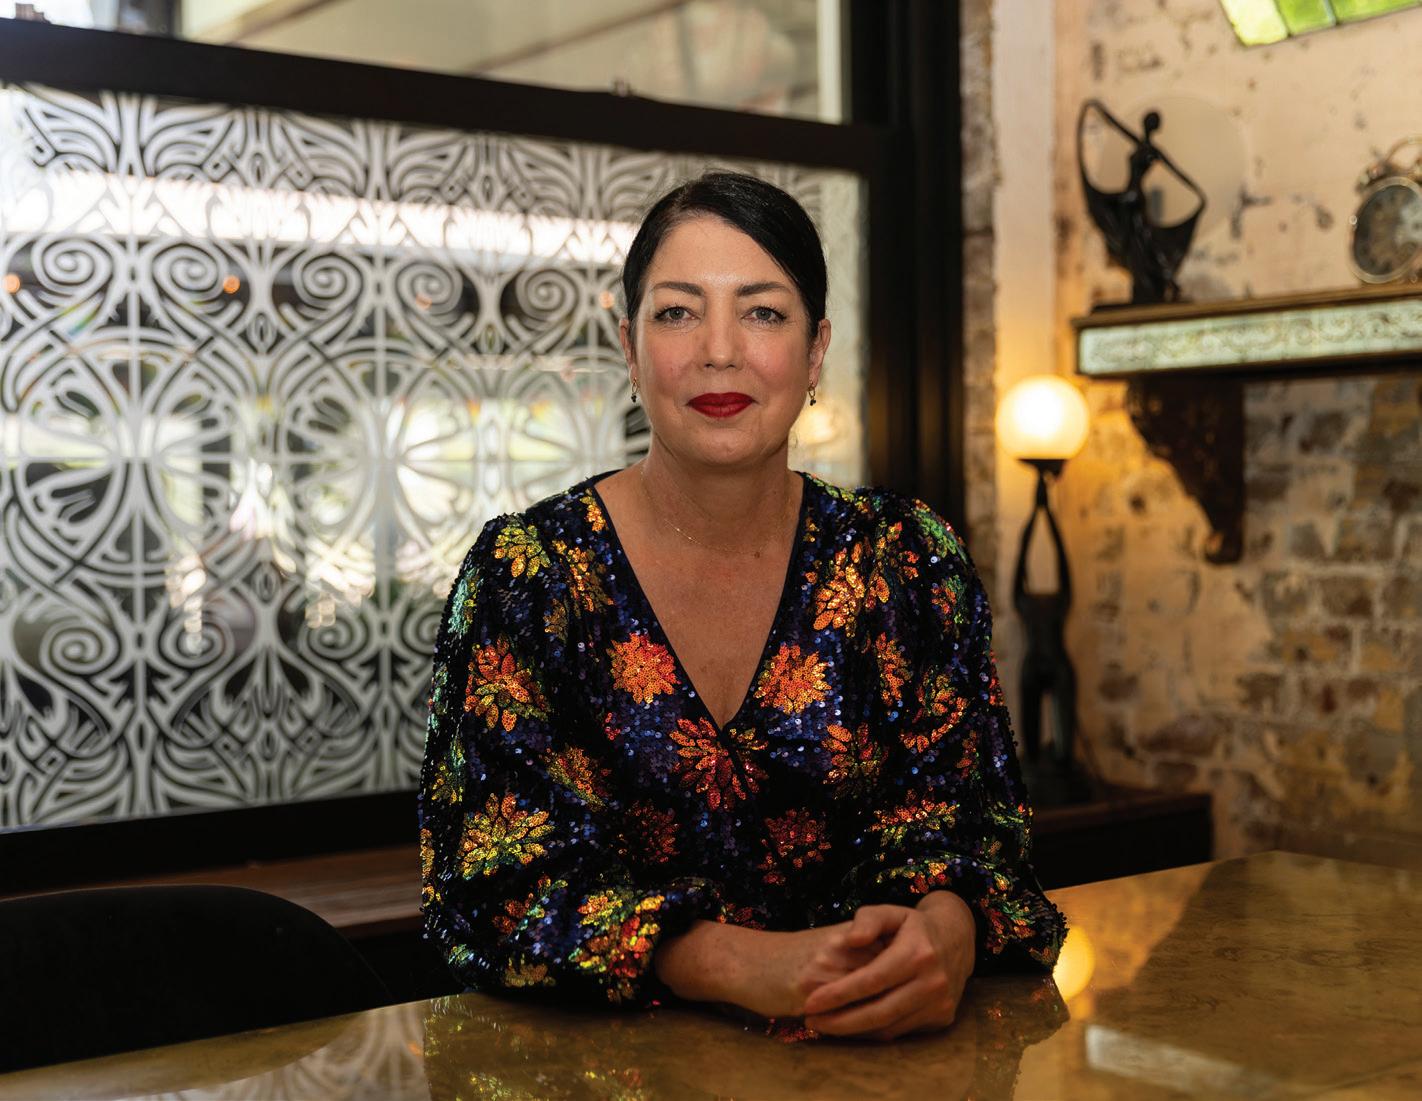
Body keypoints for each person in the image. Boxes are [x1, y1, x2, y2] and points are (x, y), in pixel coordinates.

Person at [419, 171, 1066, 1042]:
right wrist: (732, 961)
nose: (719, 350)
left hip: (872, 1063)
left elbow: (970, 828)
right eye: (677, 312)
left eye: (762, 311)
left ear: (815, 349)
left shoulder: (907, 561)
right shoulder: (530, 575)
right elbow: (487, 888)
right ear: (629, 346)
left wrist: (948, 931)